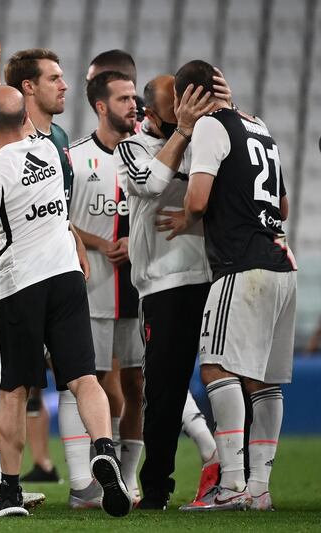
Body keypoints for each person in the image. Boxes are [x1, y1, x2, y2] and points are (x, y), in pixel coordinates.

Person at [0, 85, 132, 518]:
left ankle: (11, 491)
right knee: (83, 379)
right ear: (24, 120)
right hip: (68, 278)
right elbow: (21, 118)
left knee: (13, 389)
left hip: (21, 286)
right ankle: (103, 447)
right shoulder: (50, 150)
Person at [179, 59, 297, 512]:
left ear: (188, 97)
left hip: (241, 264)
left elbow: (196, 198)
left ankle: (230, 485)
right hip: (280, 265)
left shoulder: (211, 126)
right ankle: (260, 489)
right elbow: (282, 205)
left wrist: (190, 213)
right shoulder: (260, 126)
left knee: (215, 367)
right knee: (265, 382)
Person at [115, 74, 220, 509]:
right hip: (163, 284)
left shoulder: (208, 138)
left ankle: (236, 478)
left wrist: (193, 218)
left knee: (228, 378)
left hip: (213, 277)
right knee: (163, 389)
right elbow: (148, 184)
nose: (185, 107)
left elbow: (230, 196)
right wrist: (183, 132)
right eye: (176, 103)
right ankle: (157, 487)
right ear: (153, 113)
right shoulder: (132, 146)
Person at [0, 44, 81, 485]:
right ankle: (32, 468)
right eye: (54, 78)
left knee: (74, 376)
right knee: (25, 382)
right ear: (28, 90)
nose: (64, 85)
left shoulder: (56, 140)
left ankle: (77, 476)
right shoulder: (5, 155)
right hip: (27, 276)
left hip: (60, 268)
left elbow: (61, 208)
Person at [68, 70, 144, 505]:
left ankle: (127, 478)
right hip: (93, 288)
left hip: (138, 287)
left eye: (134, 97)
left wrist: (136, 240)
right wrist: (97, 242)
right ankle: (91, 481)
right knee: (92, 382)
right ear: (101, 106)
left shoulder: (147, 155)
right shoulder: (75, 157)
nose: (133, 105)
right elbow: (57, 215)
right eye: (123, 98)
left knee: (136, 386)